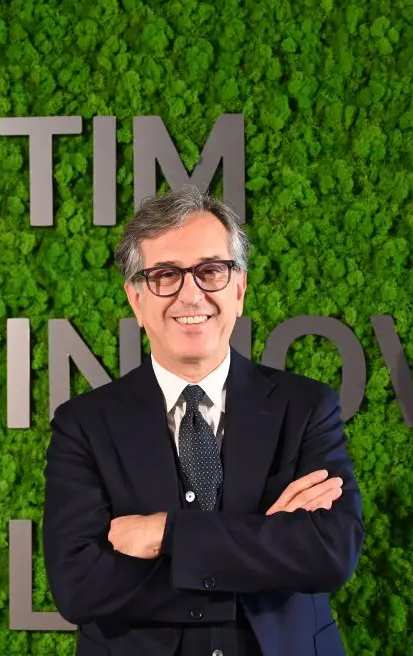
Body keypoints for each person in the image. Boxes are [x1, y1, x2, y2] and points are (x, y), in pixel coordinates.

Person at [42, 187, 365, 656]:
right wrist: (262, 547)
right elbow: (79, 586)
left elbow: (330, 553)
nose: (191, 294)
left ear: (239, 289)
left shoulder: (306, 407)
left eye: (210, 271)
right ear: (136, 299)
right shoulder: (83, 425)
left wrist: (167, 533)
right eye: (165, 275)